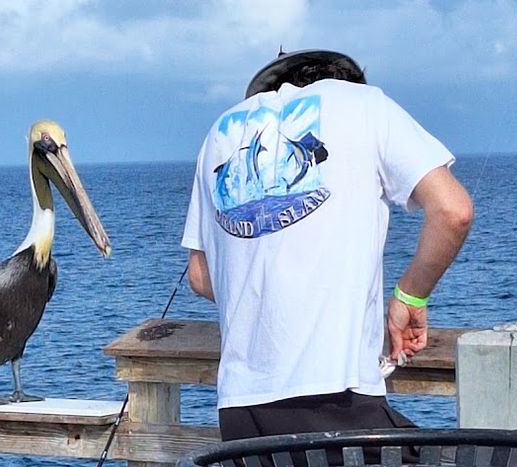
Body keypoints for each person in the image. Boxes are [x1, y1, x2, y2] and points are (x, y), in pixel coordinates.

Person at [182, 49, 474, 441]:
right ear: (344, 79)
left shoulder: (219, 131)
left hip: (241, 413)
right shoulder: (364, 104)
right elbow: (454, 211)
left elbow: (200, 277)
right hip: (338, 401)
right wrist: (410, 298)